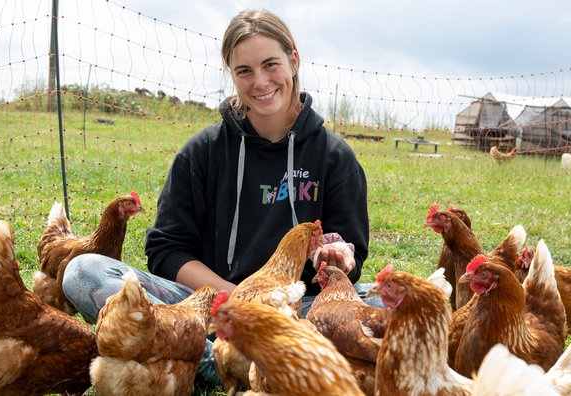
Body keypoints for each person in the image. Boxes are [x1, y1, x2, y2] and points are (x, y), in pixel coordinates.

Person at [62, 8, 378, 388]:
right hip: (210, 306)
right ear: (231, 73)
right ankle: (229, 364)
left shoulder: (334, 157)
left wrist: (341, 255)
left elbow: (351, 252)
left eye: (270, 64)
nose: (260, 82)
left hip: (298, 312)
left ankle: (209, 361)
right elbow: (167, 249)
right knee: (83, 273)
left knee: (384, 302)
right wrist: (236, 301)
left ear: (294, 60)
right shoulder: (202, 153)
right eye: (244, 70)